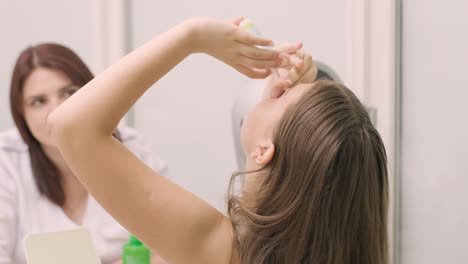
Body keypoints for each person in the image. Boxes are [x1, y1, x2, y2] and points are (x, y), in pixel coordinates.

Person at [48, 17, 389, 264]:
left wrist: (191, 36)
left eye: (282, 96)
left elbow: (73, 126)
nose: (275, 87)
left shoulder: (222, 250)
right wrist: (303, 115)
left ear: (263, 150)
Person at [0, 43, 168, 264]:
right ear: (21, 114)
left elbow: (174, 245)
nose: (57, 111)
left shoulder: (130, 147)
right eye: (39, 101)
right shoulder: (7, 161)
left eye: (69, 93)